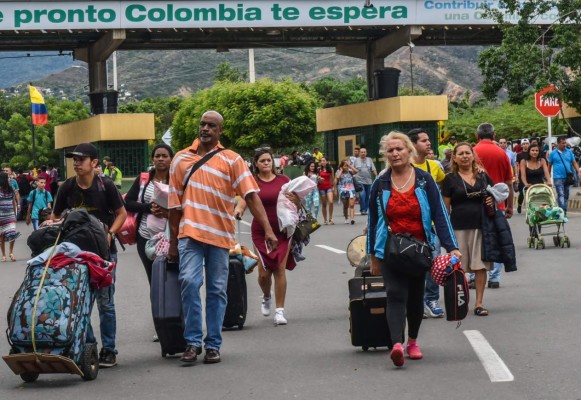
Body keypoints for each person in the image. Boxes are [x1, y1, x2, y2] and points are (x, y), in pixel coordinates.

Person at [167, 111, 277, 365]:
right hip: (189, 234)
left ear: (220, 132)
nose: (205, 128)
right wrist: (173, 242)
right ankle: (193, 342)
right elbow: (174, 206)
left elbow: (250, 195)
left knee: (217, 290)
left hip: (220, 236)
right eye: (202, 124)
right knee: (189, 282)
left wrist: (268, 230)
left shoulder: (232, 159)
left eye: (211, 125)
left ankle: (213, 344)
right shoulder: (181, 159)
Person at [368, 131, 460, 368]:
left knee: (415, 299)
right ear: (385, 155)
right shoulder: (380, 183)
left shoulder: (424, 180)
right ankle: (397, 344)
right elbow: (372, 221)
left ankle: (412, 341)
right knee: (395, 294)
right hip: (389, 250)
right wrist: (373, 257)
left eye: (399, 149)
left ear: (409, 151)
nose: (395, 153)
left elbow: (440, 213)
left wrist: (451, 247)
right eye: (390, 150)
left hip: (419, 250)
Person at [51, 142, 127, 368]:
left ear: (94, 163)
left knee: (106, 304)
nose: (76, 163)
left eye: (81, 159)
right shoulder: (67, 187)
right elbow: (56, 216)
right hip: (76, 256)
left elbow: (122, 214)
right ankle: (90, 346)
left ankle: (109, 350)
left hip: (104, 255)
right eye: (74, 159)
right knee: (80, 303)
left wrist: (111, 233)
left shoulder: (107, 185)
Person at [234, 148, 299, 326]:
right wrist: (238, 210)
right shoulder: (252, 182)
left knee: (279, 269)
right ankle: (266, 295)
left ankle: (279, 311)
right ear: (256, 163)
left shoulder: (284, 180)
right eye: (262, 161)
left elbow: (296, 201)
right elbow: (245, 200)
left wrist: (297, 200)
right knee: (263, 274)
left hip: (283, 230)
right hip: (261, 231)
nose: (266, 163)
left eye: (269, 160)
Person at [442, 143, 495, 317]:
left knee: (481, 266)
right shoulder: (450, 179)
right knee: (459, 268)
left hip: (481, 227)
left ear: (473, 155)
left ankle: (479, 303)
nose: (465, 156)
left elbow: (494, 195)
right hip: (458, 229)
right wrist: (446, 234)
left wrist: (491, 202)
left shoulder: (483, 176)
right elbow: (445, 209)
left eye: (467, 153)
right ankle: (460, 301)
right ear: (454, 158)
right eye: (460, 154)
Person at [408, 128, 447, 319]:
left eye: (428, 140)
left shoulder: (434, 166)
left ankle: (431, 299)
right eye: (424, 140)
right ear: (413, 145)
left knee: (434, 260)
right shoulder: (404, 166)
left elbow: (448, 185)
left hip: (430, 225)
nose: (428, 143)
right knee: (414, 263)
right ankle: (415, 300)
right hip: (408, 226)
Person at [125, 144, 174, 284]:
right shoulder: (144, 179)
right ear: (152, 159)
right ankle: (157, 306)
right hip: (145, 238)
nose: (160, 159)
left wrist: (166, 212)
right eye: (157, 156)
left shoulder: (177, 181)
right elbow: (128, 202)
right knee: (153, 280)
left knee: (170, 278)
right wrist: (148, 208)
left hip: (170, 239)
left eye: (165, 156)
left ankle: (171, 306)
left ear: (171, 159)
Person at [473, 123, 514, 289]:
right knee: (496, 239)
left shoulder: (471, 152)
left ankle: (473, 274)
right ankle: (494, 277)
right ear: (494, 136)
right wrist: (510, 205)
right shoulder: (502, 153)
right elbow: (509, 182)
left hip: (475, 204)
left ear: (477, 136)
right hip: (498, 203)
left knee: (476, 240)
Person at [548, 136, 581, 215]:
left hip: (568, 177)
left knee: (566, 195)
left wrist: (578, 171)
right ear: (558, 143)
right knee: (561, 194)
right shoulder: (553, 153)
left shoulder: (569, 152)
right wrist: (548, 174)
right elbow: (549, 165)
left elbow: (574, 162)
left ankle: (562, 208)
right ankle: (563, 211)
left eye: (565, 143)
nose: (564, 144)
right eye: (563, 143)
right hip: (558, 177)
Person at [0, 172, 20, 262]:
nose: (9, 178)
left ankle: (11, 252)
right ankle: (3, 255)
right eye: (8, 177)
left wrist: (15, 214)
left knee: (12, 234)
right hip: (1, 216)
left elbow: (13, 201)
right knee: (2, 237)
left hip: (10, 215)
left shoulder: (11, 188)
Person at [352, 146, 377, 215]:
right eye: (361, 152)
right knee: (362, 195)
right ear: (359, 153)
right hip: (359, 181)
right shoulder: (356, 160)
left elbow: (373, 169)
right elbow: (353, 170)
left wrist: (377, 176)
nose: (363, 153)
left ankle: (366, 209)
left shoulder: (369, 160)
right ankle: (363, 209)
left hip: (368, 181)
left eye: (364, 152)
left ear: (366, 153)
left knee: (368, 196)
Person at [335, 159, 358, 225]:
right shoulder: (338, 171)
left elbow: (356, 171)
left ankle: (352, 219)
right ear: (342, 166)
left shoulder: (350, 171)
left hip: (351, 189)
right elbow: (337, 177)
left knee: (351, 205)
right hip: (343, 190)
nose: (346, 167)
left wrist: (350, 165)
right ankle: (346, 218)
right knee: (345, 206)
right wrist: (341, 170)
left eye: (347, 166)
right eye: (345, 166)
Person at [317, 156, 335, 225]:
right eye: (321, 161)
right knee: (324, 204)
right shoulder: (318, 169)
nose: (322, 162)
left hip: (329, 187)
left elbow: (332, 179)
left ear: (327, 161)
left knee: (331, 202)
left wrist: (333, 187)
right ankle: (325, 219)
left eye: (324, 160)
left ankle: (330, 218)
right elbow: (317, 178)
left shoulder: (331, 169)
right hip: (321, 188)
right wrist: (319, 178)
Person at [515, 138, 530, 214]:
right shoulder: (519, 154)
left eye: (526, 143)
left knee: (530, 191)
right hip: (521, 175)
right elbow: (517, 165)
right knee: (522, 192)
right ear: (521, 145)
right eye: (523, 144)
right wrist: (517, 176)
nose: (525, 145)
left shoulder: (531, 153)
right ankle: (520, 204)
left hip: (530, 174)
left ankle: (530, 207)